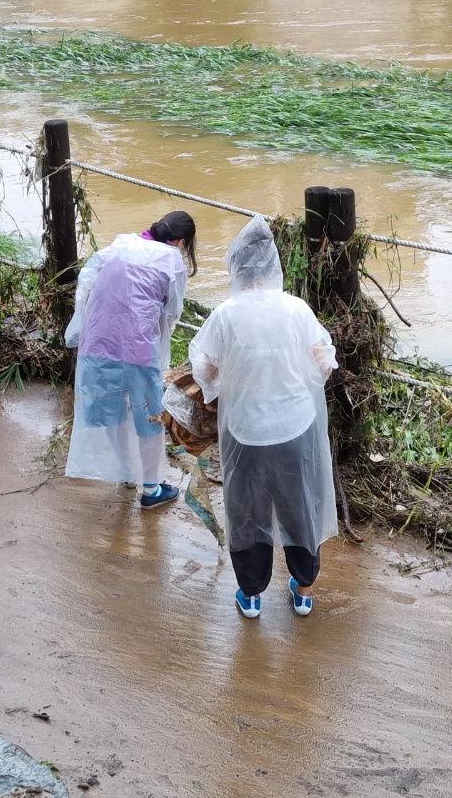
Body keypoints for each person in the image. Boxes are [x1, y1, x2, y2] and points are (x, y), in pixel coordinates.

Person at [188, 216, 338, 620]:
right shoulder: (297, 309)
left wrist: (228, 373)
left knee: (247, 510)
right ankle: (303, 590)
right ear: (273, 265)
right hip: (295, 428)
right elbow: (323, 362)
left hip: (246, 432)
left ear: (237, 269)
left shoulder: (226, 313)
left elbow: (203, 368)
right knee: (299, 505)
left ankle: (251, 595)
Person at [65, 211, 197, 507]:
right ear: (181, 241)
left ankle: (127, 472)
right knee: (148, 415)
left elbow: (84, 291)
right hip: (138, 348)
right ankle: (151, 489)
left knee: (109, 410)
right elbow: (172, 310)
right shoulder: (171, 258)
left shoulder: (117, 246)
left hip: (98, 345)